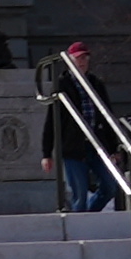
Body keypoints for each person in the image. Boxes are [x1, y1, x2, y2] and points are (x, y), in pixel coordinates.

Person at [44, 42, 118, 213]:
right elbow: (52, 121)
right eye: (77, 58)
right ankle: (81, 228)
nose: (81, 61)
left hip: (96, 145)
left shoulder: (96, 83)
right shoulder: (62, 85)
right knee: (80, 195)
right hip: (73, 148)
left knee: (110, 187)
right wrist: (46, 153)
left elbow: (107, 116)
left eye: (84, 57)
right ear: (70, 61)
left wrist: (113, 147)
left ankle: (89, 217)